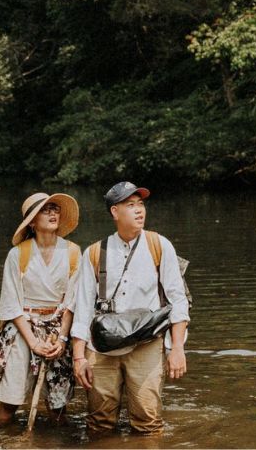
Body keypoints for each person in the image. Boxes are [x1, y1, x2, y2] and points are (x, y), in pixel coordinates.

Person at [70, 182, 190, 434]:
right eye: (130, 205)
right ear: (115, 212)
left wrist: (177, 348)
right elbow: (82, 309)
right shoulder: (93, 253)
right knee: (98, 423)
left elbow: (177, 300)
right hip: (100, 349)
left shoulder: (159, 245)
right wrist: (79, 358)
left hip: (146, 344)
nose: (139, 211)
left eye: (141, 204)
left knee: (148, 421)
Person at [0, 192, 81, 426]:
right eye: (45, 209)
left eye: (55, 209)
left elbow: (72, 302)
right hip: (22, 329)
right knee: (8, 406)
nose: (52, 213)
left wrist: (61, 339)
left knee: (58, 408)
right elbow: (11, 304)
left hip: (58, 329)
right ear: (32, 221)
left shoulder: (72, 252)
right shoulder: (18, 254)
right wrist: (33, 343)